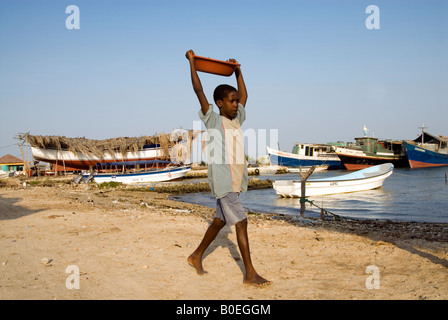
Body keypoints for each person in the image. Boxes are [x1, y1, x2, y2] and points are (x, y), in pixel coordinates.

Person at [185, 49, 271, 286]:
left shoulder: (237, 120)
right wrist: (192, 62)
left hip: (235, 179)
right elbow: (198, 90)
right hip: (224, 181)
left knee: (220, 221)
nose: (236, 104)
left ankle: (195, 256)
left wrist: (238, 72)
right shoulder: (213, 120)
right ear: (219, 103)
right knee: (241, 221)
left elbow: (245, 94)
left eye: (236, 101)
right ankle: (250, 274)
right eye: (231, 102)